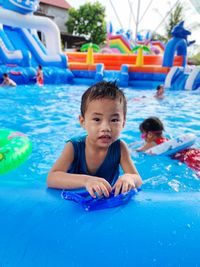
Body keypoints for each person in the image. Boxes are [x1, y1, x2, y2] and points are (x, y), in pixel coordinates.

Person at [47, 81, 142, 197]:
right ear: (83, 122)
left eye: (114, 120)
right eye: (97, 119)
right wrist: (86, 181)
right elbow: (52, 178)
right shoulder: (74, 147)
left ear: (123, 123)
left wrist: (129, 178)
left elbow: (137, 178)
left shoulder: (120, 147)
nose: (106, 128)